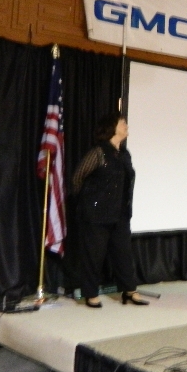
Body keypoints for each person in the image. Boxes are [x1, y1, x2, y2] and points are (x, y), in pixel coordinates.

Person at [72, 112, 148, 308]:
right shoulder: (98, 152)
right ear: (111, 128)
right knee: (94, 255)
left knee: (124, 254)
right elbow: (77, 178)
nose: (126, 125)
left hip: (120, 213)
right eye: (122, 122)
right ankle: (91, 294)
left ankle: (129, 291)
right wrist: (89, 201)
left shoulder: (124, 154)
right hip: (96, 214)